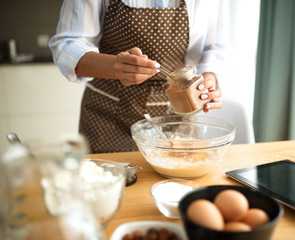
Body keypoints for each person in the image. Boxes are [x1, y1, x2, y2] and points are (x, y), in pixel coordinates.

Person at [49, 0, 230, 153]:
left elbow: (215, 46)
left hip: (177, 118)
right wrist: (115, 67)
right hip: (106, 116)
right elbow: (68, 43)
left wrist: (208, 81)